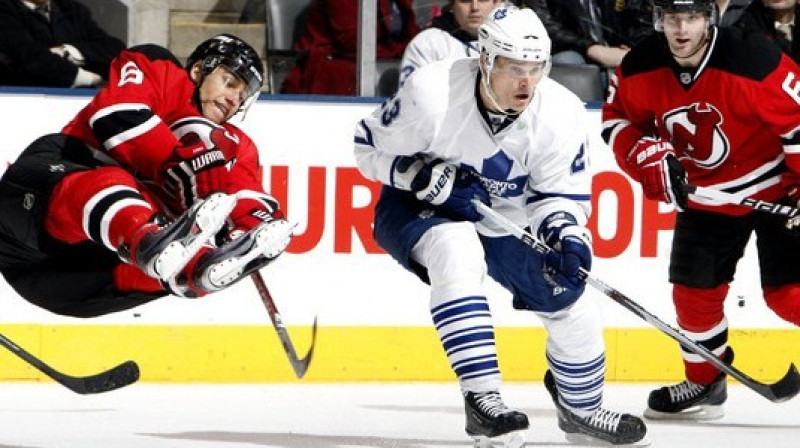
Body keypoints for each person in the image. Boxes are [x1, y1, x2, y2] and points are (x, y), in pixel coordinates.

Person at [355, 5, 647, 446]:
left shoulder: (561, 112)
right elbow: (365, 147)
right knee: (458, 251)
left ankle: (582, 409)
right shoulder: (433, 91)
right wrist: (418, 176)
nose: (527, 82)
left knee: (573, 301)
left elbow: (557, 197)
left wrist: (566, 235)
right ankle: (483, 403)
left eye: (537, 68)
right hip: (419, 205)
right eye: (514, 69)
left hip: (507, 215)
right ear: (486, 60)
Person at [602, 0, 800, 420]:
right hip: (705, 198)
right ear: (659, 21)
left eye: (691, 17)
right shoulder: (639, 66)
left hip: (778, 189)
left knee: (789, 297)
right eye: (672, 18)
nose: (681, 28)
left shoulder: (753, 58)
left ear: (708, 18)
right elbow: (616, 119)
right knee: (693, 298)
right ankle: (705, 382)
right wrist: (640, 150)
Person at [0, 34, 292, 318]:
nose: (233, 98)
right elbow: (115, 115)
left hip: (74, 282)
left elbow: (245, 192)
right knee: (117, 184)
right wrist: (178, 162)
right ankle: (148, 240)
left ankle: (189, 271)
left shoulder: (236, 146)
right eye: (229, 82)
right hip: (35, 215)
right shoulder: (158, 68)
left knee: (181, 265)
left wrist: (253, 226)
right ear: (198, 69)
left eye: (242, 95)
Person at [280, 0, 419, 95]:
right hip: (333, 69)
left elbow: (411, 35)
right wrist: (402, 49)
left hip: (381, 62)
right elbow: (355, 41)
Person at [0, 0, 125, 87]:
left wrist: (69, 52)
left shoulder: (72, 10)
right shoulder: (5, 11)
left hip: (74, 106)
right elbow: (28, 57)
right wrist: (87, 78)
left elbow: (115, 49)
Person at [398, 0, 501, 86]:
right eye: (465, 0)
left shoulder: (513, 40)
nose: (475, 7)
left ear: (497, 3)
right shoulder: (427, 43)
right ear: (452, 5)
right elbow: (410, 101)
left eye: (483, 0)